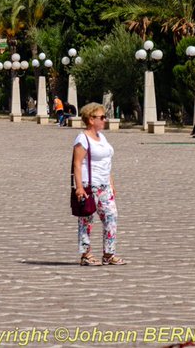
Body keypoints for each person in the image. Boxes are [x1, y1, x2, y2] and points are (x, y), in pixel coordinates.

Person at [72, 102, 125, 266]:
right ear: (90, 119)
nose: (104, 120)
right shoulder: (82, 139)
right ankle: (86, 255)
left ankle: (109, 253)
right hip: (89, 186)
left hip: (104, 186)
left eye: (104, 117)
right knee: (86, 221)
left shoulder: (102, 137)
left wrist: (111, 183)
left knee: (111, 217)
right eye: (101, 117)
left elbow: (106, 162)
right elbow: (77, 164)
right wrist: (79, 187)